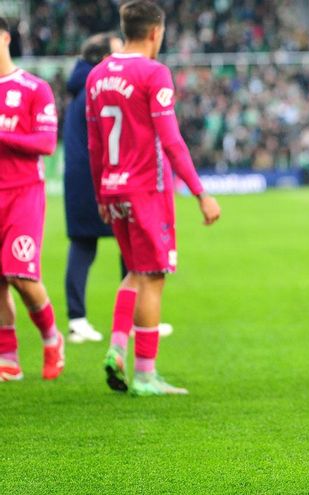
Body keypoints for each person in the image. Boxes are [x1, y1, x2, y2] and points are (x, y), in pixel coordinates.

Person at [86, 0, 221, 396]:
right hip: (147, 187)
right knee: (154, 276)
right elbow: (171, 139)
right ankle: (145, 375)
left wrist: (100, 192)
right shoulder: (153, 72)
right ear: (155, 32)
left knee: (134, 270)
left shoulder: (97, 74)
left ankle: (116, 349)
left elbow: (94, 142)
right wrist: (200, 193)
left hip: (112, 185)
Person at [63, 33, 173, 344]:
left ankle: (95, 320)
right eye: (115, 50)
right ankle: (87, 320)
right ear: (100, 57)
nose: (121, 55)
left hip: (92, 178)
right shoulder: (97, 87)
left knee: (96, 246)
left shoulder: (84, 86)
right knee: (96, 246)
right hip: (100, 178)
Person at [0, 16, 65, 382]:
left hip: (23, 192)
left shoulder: (33, 88)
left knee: (21, 275)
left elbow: (44, 143)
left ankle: (52, 339)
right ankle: (8, 357)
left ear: (6, 38)